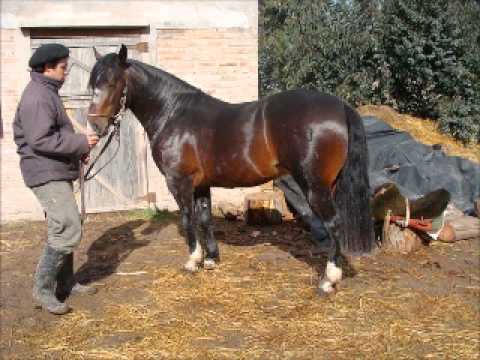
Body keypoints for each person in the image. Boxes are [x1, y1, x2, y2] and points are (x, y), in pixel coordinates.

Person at [13, 43, 99, 315]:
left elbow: (53, 136)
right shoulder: (38, 97)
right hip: (45, 172)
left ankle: (66, 282)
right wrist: (80, 142)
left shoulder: (47, 92)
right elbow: (40, 140)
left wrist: (78, 149)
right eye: (63, 67)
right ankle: (43, 288)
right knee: (66, 226)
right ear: (48, 68)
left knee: (65, 224)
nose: (66, 72)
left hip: (54, 169)